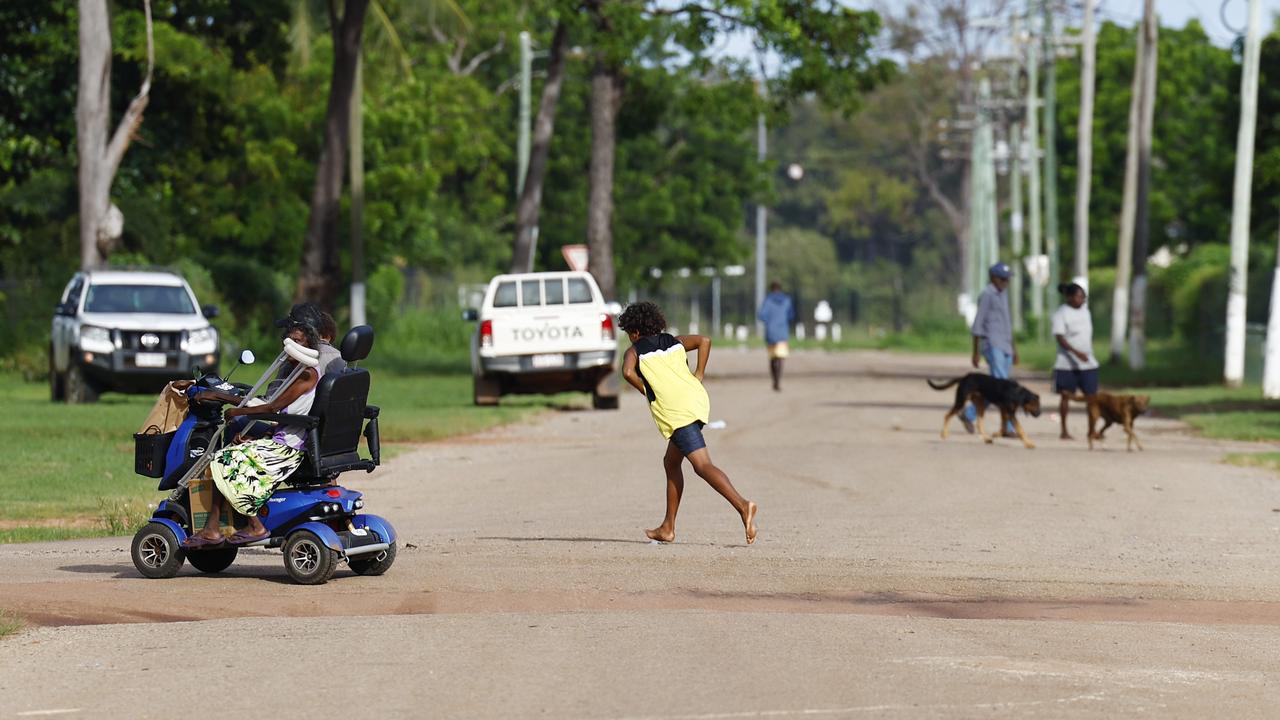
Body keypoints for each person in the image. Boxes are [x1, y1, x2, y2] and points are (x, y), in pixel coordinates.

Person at [618, 301, 757, 545]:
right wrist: (699, 374)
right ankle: (668, 527)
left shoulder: (635, 351)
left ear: (634, 332)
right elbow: (705, 340)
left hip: (676, 411)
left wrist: (646, 390)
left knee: (702, 466)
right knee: (671, 463)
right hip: (695, 401)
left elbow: (628, 372)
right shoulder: (674, 341)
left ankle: (743, 506)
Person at [181, 322, 321, 548]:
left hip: (287, 450)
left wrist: (238, 412)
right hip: (283, 440)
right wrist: (261, 436)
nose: (293, 344)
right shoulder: (298, 371)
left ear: (309, 346)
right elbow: (284, 416)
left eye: (299, 341)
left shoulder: (306, 375)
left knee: (222, 459)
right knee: (230, 453)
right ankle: (212, 529)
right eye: (290, 340)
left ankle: (253, 526)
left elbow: (271, 408)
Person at [965, 262, 1017, 436]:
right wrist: (976, 351)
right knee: (1004, 388)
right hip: (992, 344)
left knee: (997, 388)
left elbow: (1008, 324)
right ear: (993, 278)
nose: (1005, 282)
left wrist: (1014, 349)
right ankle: (1008, 427)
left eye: (1007, 279)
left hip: (1006, 345)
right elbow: (978, 324)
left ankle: (969, 413)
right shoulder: (987, 295)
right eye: (1003, 279)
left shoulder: (1003, 294)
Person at [1051, 282, 1099, 440]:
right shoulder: (1061, 313)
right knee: (1066, 397)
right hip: (1066, 364)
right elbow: (1060, 337)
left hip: (1088, 363)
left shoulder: (1086, 312)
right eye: (1079, 296)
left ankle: (1092, 430)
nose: (1082, 299)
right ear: (1069, 297)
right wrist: (1076, 353)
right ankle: (1064, 430)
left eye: (1083, 296)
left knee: (1091, 398)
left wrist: (1083, 355)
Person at [757, 282, 796, 391]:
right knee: (781, 357)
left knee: (773, 357)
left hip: (771, 332)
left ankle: (774, 380)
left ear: (771, 289)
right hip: (783, 331)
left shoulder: (768, 300)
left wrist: (769, 322)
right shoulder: (787, 300)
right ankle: (778, 380)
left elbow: (761, 315)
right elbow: (791, 315)